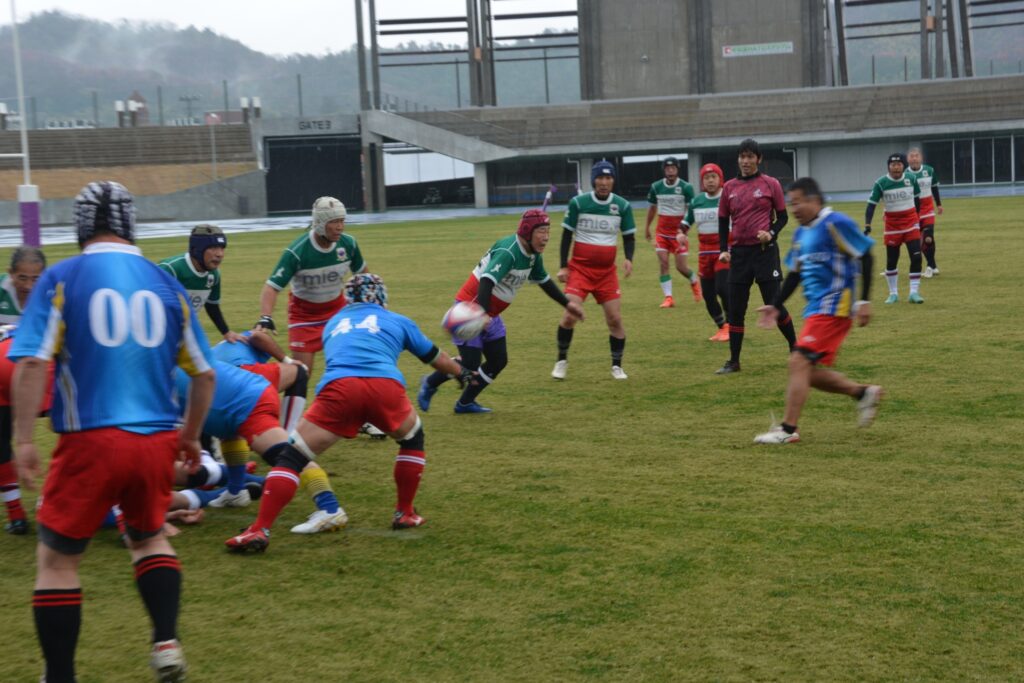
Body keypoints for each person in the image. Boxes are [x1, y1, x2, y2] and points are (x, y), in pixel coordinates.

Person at [9, 181, 216, 683]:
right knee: (149, 539)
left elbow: (32, 363)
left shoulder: (61, 277)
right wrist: (191, 435)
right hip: (155, 440)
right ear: (130, 223)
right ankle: (165, 642)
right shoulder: (165, 282)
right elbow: (205, 374)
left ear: (81, 225)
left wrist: (23, 438)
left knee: (57, 560)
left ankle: (60, 675)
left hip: (89, 439)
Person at [225, 274, 472, 552]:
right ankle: (404, 513)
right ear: (381, 297)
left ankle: (259, 529)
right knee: (412, 439)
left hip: (340, 389)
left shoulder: (333, 323)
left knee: (292, 458)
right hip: (384, 387)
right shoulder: (399, 321)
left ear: (347, 298)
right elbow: (436, 358)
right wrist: (460, 371)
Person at [754, 177, 882, 444]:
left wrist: (864, 301)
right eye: (791, 204)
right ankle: (862, 393)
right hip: (815, 309)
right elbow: (794, 274)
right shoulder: (801, 234)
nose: (793, 209)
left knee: (797, 361)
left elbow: (865, 255)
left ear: (814, 200)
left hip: (836, 305)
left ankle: (787, 430)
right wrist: (775, 305)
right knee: (806, 372)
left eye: (797, 203)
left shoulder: (836, 223)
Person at [418, 209, 584, 414]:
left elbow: (544, 281)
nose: (546, 237)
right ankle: (430, 383)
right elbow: (486, 281)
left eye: (548, 231)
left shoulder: (533, 255)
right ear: (527, 231)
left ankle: (465, 403)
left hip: (489, 314)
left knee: (498, 360)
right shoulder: (509, 251)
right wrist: (482, 314)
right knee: (470, 363)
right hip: (471, 309)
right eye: (541, 231)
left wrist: (568, 305)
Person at [210, 329, 349, 534]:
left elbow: (258, 336)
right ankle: (235, 490)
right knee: (230, 432)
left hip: (241, 393)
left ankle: (330, 507)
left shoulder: (219, 350)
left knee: (285, 453)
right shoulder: (234, 347)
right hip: (233, 388)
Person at [716, 138, 797, 374]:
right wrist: (723, 249)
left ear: (758, 159)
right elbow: (722, 220)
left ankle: (796, 350)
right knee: (736, 310)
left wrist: (770, 234)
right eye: (742, 156)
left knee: (775, 304)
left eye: (750, 156)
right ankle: (734, 361)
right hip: (739, 255)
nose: (746, 161)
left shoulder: (771, 184)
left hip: (765, 253)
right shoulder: (729, 188)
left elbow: (782, 217)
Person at [552, 160, 636, 381]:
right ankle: (561, 360)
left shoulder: (622, 206)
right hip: (580, 270)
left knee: (615, 319)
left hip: (607, 273)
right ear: (593, 180)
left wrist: (629, 259)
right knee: (570, 315)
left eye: (608, 178)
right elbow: (566, 235)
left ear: (613, 181)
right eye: (600, 178)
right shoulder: (578, 203)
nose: (604, 182)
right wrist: (563, 266)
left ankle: (617, 366)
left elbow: (629, 237)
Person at [158, 224, 244, 342]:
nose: (220, 254)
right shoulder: (170, 269)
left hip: (184, 334)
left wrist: (226, 332)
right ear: (196, 249)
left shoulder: (214, 275)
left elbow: (212, 306)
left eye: (222, 248)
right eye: (213, 248)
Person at [865, 153, 924, 304]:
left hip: (911, 223)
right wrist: (867, 224)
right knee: (892, 260)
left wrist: (917, 218)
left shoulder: (911, 179)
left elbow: (917, 199)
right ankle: (893, 294)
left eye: (899, 165)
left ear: (903, 166)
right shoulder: (881, 183)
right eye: (893, 165)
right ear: (888, 167)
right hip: (892, 226)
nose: (896, 167)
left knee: (916, 257)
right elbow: (871, 205)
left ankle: (914, 293)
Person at [644, 156, 701, 308]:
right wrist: (647, 227)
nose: (670, 171)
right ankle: (668, 298)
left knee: (681, 267)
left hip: (678, 234)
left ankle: (694, 281)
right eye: (668, 168)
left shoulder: (686, 187)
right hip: (661, 233)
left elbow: (690, 210)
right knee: (663, 263)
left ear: (677, 170)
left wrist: (685, 230)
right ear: (664, 170)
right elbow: (652, 208)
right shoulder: (656, 187)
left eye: (673, 168)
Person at [682, 163, 730, 341]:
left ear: (720, 179)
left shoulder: (727, 198)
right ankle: (722, 327)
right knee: (708, 295)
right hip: (704, 254)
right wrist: (680, 234)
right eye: (706, 178)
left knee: (723, 288)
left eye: (713, 177)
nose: (710, 181)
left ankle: (731, 325)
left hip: (724, 251)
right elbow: (686, 223)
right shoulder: (697, 202)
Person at [906, 148, 943, 277]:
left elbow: (934, 188)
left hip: (927, 210)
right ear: (908, 159)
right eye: (912, 156)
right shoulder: (905, 174)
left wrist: (939, 204)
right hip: (913, 212)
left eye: (916, 156)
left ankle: (929, 267)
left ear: (921, 158)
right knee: (919, 240)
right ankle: (933, 265)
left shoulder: (929, 170)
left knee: (928, 237)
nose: (914, 158)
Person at [0, 245, 46, 325]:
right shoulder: (1, 287)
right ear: (11, 273)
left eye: (35, 279)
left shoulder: (52, 294)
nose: (28, 286)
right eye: (22, 278)